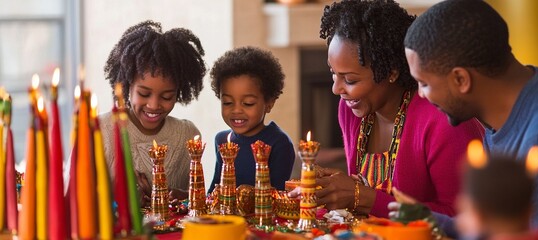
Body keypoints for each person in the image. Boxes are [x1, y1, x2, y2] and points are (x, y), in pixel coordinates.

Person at [400, 0, 538, 239]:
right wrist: (429, 220)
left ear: (461, 79)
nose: (420, 94)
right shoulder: (518, 99)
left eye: (424, 83)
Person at [291, 0, 484, 218]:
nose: (336, 89)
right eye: (333, 73)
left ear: (391, 72)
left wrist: (363, 198)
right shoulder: (351, 110)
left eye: (350, 80)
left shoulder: (445, 121)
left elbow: (462, 218)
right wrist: (336, 188)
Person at [100, 20, 207, 203]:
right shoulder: (101, 130)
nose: (154, 105)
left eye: (166, 97)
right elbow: (74, 200)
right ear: (127, 86)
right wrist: (117, 198)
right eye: (144, 93)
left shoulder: (187, 136)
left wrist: (184, 198)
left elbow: (200, 204)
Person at [208, 46, 295, 193]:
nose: (236, 110)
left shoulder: (278, 143)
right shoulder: (222, 140)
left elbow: (277, 195)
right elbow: (214, 191)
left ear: (269, 103)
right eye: (228, 102)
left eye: (248, 103)